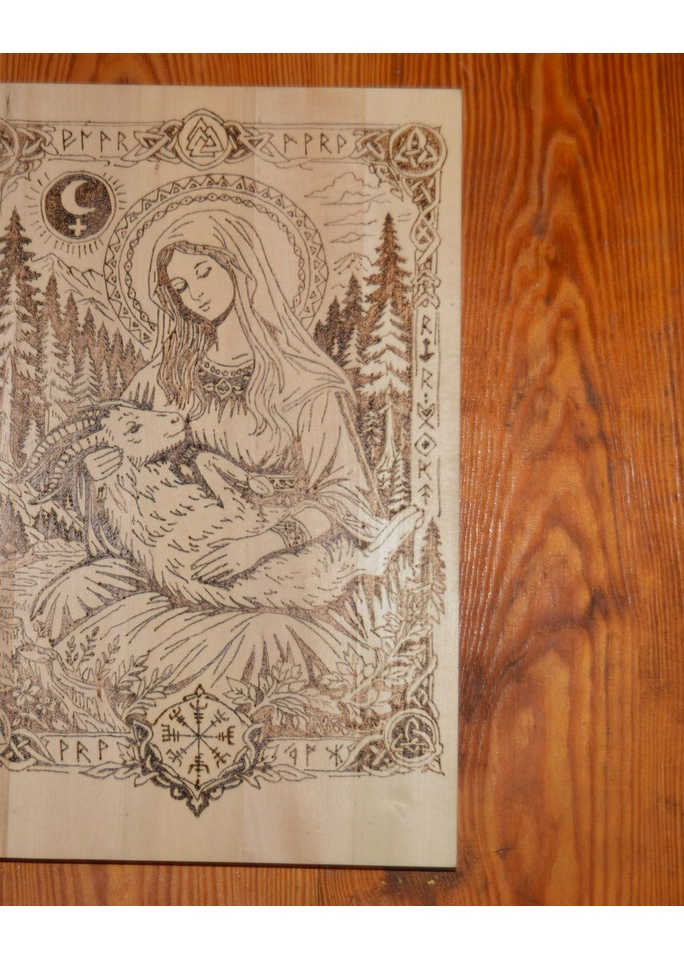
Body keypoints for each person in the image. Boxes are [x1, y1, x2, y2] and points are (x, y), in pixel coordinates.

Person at [32, 208, 417, 689]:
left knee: (251, 639)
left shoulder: (305, 385)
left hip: (275, 559)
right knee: (73, 592)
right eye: (180, 286)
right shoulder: (162, 377)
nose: (194, 293)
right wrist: (98, 474)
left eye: (204, 271)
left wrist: (260, 545)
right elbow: (120, 473)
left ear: (240, 267)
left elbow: (346, 495)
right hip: (172, 556)